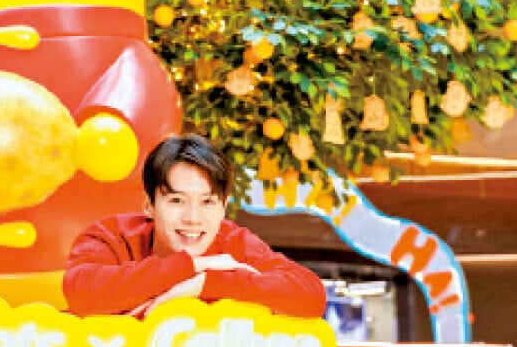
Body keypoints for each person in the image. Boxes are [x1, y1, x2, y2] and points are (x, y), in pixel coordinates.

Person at [63, 134, 326, 319]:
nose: (192, 218)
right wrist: (194, 265)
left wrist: (204, 283)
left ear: (223, 207)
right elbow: (81, 293)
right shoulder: (111, 236)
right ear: (149, 205)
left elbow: (311, 295)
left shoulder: (235, 242)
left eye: (207, 202)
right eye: (177, 200)